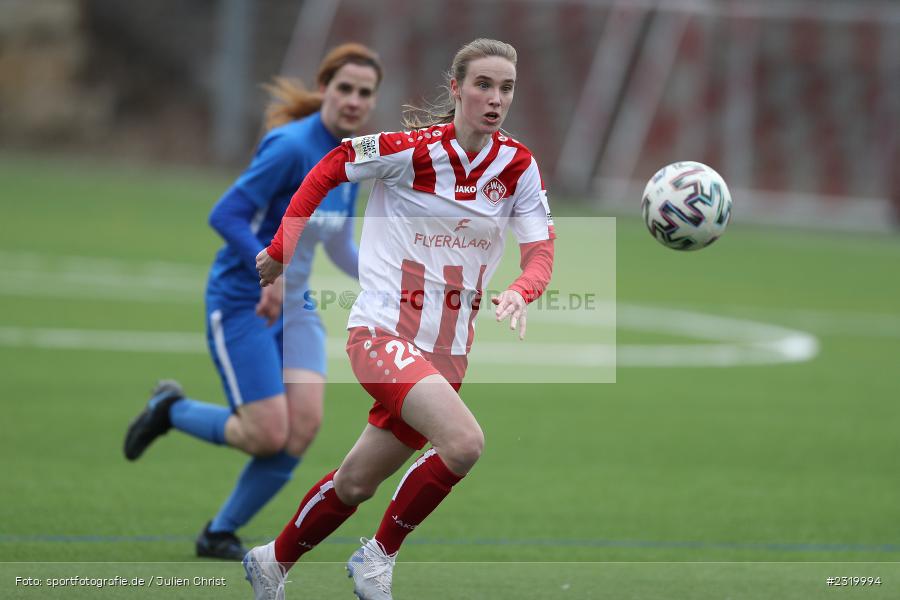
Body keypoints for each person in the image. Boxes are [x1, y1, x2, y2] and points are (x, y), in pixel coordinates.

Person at [243, 38, 555, 600]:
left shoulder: (518, 166)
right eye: (483, 84)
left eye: (506, 88)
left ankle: (272, 562)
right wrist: (282, 249)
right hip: (382, 334)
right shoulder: (409, 150)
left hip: (447, 355)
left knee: (355, 482)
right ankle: (378, 557)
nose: (495, 98)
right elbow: (330, 166)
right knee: (464, 443)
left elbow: (540, 249)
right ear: (456, 88)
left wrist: (522, 290)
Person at [122, 43, 383, 560]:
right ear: (324, 89)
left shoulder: (355, 157)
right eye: (345, 88)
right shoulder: (290, 147)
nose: (354, 100)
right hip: (243, 297)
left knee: (301, 430)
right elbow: (225, 214)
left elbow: (336, 243)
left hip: (296, 305)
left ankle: (218, 533)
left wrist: (393, 277)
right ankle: (170, 410)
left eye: (365, 92)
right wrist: (272, 273)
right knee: (265, 434)